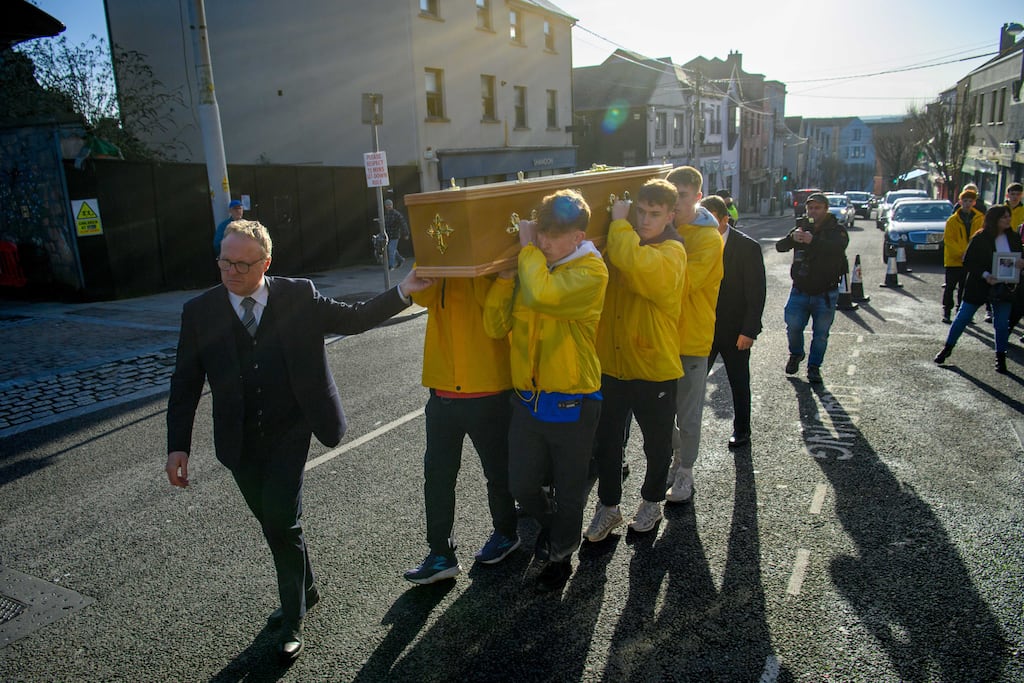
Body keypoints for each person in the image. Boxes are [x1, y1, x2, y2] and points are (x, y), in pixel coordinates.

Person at [165, 220, 431, 662]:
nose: (232, 272)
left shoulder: (298, 295)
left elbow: (355, 318)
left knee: (282, 521)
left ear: (266, 263)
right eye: (224, 262)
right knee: (273, 522)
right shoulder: (200, 312)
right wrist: (179, 446)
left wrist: (403, 291)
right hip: (238, 440)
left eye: (243, 264)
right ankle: (306, 586)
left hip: (293, 429)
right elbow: (185, 383)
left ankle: (292, 618)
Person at [483, 189, 608, 593]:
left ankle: (560, 557)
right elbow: (494, 327)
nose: (544, 242)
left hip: (573, 402)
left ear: (578, 236)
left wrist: (526, 256)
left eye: (555, 235)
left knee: (570, 490)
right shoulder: (532, 270)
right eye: (541, 233)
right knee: (521, 485)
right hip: (529, 402)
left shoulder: (591, 272)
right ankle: (558, 528)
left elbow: (543, 295)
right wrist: (504, 283)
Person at [585, 179, 685, 543]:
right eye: (640, 211)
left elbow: (636, 264)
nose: (644, 220)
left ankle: (651, 500)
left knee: (656, 443)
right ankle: (608, 507)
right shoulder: (619, 240)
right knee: (607, 442)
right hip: (611, 364)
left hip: (653, 367)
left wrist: (619, 222)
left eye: (654, 214)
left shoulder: (673, 251)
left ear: (670, 216)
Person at [403, 274, 519, 585]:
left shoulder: (492, 260)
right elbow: (422, 297)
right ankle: (440, 553)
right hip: (442, 391)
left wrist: (497, 275)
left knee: (497, 472)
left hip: (489, 389)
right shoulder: (439, 258)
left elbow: (496, 319)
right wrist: (430, 265)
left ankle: (507, 532)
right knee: (437, 476)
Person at [663, 166, 724, 505]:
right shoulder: (667, 228)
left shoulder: (708, 238)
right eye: (671, 195)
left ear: (698, 197)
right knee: (658, 413)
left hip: (691, 340)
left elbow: (680, 285)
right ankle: (677, 457)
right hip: (661, 338)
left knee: (687, 413)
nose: (676, 202)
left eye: (682, 196)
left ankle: (685, 470)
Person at [704, 195, 766, 449]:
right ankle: (680, 435)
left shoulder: (747, 247)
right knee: (690, 385)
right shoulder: (694, 244)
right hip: (703, 330)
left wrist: (749, 330)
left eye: (709, 220)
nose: (703, 225)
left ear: (724, 219)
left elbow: (756, 292)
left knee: (739, 383)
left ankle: (742, 431)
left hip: (735, 331)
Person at [934, 205, 1024, 374]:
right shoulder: (980, 238)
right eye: (1004, 217)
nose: (1008, 220)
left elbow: (1019, 257)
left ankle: (1000, 358)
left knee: (1001, 324)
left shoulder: (1013, 238)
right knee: (963, 317)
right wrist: (985, 275)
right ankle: (947, 348)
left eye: (1008, 216)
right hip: (979, 285)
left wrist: (1020, 264)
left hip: (1004, 286)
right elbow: (968, 261)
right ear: (994, 219)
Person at [775, 192, 850, 384]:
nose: (813, 211)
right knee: (793, 326)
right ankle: (796, 354)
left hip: (825, 291)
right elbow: (780, 247)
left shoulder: (836, 230)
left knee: (821, 334)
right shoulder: (802, 226)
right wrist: (793, 238)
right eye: (810, 208)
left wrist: (813, 241)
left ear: (826, 209)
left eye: (817, 208)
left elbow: (837, 249)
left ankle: (814, 367)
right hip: (800, 288)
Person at [941, 189, 984, 323]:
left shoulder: (980, 218)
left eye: (970, 201)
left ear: (974, 202)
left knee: (965, 288)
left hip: (970, 261)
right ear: (960, 202)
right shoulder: (952, 220)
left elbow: (981, 238)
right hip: (954, 260)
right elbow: (949, 240)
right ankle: (947, 312)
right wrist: (962, 253)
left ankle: (963, 313)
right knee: (950, 287)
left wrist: (971, 254)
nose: (967, 204)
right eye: (965, 201)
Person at [384, 199, 410, 270]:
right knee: (392, 249)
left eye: (390, 205)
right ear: (385, 206)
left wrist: (406, 233)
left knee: (391, 249)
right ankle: (400, 259)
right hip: (388, 235)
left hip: (395, 235)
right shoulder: (386, 214)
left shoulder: (396, 214)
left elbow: (403, 223)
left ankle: (391, 266)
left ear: (392, 205)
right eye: (387, 205)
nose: (389, 206)